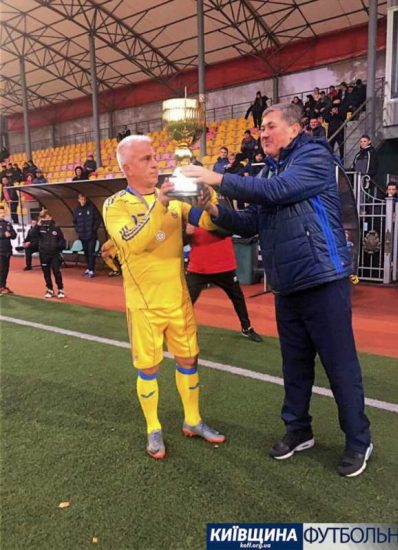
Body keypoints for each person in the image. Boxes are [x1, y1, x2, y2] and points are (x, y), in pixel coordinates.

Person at [181, 102, 372, 478]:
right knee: (294, 366)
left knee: (339, 367)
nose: (263, 133)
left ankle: (358, 440)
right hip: (287, 285)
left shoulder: (314, 156)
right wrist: (214, 209)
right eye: (261, 127)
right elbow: (250, 222)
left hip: (322, 279)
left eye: (270, 126)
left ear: (295, 129)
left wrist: (217, 178)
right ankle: (298, 430)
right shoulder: (270, 170)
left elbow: (280, 190)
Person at [102, 135, 225, 460]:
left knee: (188, 360)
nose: (155, 163)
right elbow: (135, 242)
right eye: (146, 159)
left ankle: (193, 420)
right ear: (127, 168)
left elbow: (209, 223)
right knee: (149, 368)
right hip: (144, 305)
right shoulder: (115, 205)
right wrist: (160, 204)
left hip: (178, 300)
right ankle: (153, 427)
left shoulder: (176, 200)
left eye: (154, 157)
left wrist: (209, 201)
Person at [185, 223, 262, 342]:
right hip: (198, 267)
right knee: (185, 301)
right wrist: (186, 234)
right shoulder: (189, 215)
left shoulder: (219, 213)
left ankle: (246, 328)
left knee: (237, 297)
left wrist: (205, 223)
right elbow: (182, 242)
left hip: (224, 266)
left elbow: (227, 230)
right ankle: (179, 329)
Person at [31, 209, 66, 299]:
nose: (44, 219)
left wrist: (58, 248)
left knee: (56, 272)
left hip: (54, 254)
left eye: (46, 217)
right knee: (46, 273)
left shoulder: (56, 228)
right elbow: (32, 235)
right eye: (42, 218)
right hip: (44, 254)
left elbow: (62, 241)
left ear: (50, 217)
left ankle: (60, 289)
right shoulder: (39, 228)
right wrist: (37, 226)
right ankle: (50, 289)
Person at [73, 193, 101, 277]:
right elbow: (74, 222)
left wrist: (93, 229)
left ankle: (91, 270)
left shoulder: (92, 208)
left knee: (91, 252)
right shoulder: (76, 210)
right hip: (82, 235)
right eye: (81, 199)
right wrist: (78, 230)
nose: (83, 201)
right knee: (86, 252)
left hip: (91, 235)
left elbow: (98, 219)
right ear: (78, 200)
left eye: (84, 199)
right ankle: (88, 268)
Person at [0, 205, 17, 295]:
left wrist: (10, 234)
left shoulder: (8, 224)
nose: (2, 214)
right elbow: (3, 235)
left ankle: (3, 286)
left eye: (3, 212)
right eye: (0, 213)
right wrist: (3, 235)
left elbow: (14, 235)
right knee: (1, 269)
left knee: (5, 270)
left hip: (7, 250)